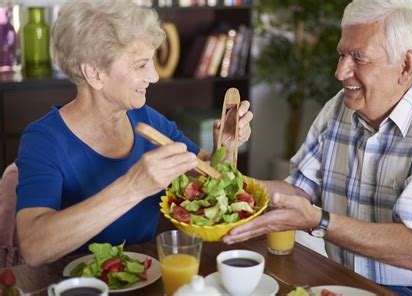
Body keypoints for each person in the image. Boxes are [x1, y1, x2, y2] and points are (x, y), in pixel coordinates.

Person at [224, 0, 412, 294]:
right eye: (342, 54)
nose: (340, 72)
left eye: (358, 57)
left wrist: (319, 220)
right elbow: (298, 189)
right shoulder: (338, 108)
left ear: (406, 65)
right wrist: (227, 180)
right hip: (345, 279)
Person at [15, 0, 253, 267]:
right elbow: (33, 248)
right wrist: (133, 187)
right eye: (140, 65)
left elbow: (210, 181)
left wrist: (227, 146)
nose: (153, 76)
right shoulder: (44, 139)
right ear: (94, 73)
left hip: (143, 277)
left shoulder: (147, 119)